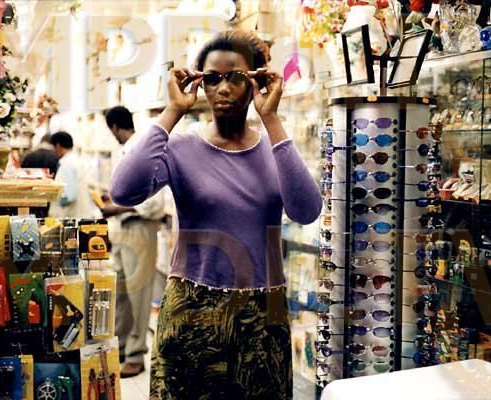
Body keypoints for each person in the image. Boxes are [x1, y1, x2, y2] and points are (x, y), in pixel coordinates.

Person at [110, 29, 321, 399]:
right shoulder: (180, 147)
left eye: (236, 77)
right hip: (192, 307)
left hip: (262, 313)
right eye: (212, 78)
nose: (223, 88)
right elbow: (123, 190)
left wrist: (271, 119)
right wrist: (173, 111)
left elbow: (307, 211)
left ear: (257, 81)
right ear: (200, 82)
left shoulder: (276, 149)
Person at [103, 106, 167, 378]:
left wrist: (116, 207)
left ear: (115, 127)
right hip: (122, 230)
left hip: (140, 228)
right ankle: (120, 347)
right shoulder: (125, 151)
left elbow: (154, 203)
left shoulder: (143, 151)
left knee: (138, 294)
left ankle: (136, 355)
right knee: (120, 294)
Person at [48, 131, 101, 219]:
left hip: (70, 216)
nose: (54, 151)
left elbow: (69, 196)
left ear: (58, 146)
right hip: (78, 215)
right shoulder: (75, 160)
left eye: (54, 147)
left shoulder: (67, 164)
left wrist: (52, 195)